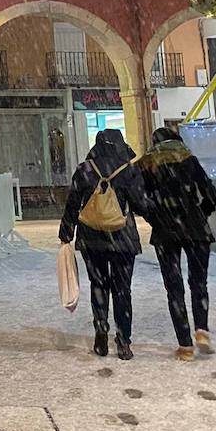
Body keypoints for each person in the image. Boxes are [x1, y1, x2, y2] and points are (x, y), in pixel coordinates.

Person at [59, 129, 152, 360]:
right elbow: (141, 204)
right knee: (122, 290)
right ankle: (123, 340)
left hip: (91, 239)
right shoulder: (129, 171)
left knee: (98, 285)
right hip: (123, 239)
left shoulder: (85, 170)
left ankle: (101, 331)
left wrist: (66, 232)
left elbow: (73, 203)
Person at [139, 127, 216, 361]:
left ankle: (185, 346)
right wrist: (198, 215)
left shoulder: (146, 165)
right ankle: (202, 331)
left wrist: (156, 218)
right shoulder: (189, 160)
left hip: (166, 233)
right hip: (196, 229)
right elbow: (213, 196)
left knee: (174, 288)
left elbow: (140, 201)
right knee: (199, 283)